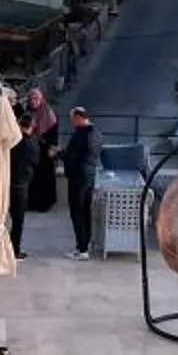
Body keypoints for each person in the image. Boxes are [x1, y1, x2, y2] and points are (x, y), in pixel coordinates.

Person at [63, 106, 101, 257]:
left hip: (78, 177)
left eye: (73, 119)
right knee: (86, 211)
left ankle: (82, 248)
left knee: (77, 212)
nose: (72, 122)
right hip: (90, 176)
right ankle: (86, 244)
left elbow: (72, 156)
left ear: (79, 117)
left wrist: (58, 154)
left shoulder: (80, 136)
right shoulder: (97, 133)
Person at [7, 92, 37, 252]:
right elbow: (35, 162)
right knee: (18, 220)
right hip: (20, 185)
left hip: (8, 181)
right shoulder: (31, 144)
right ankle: (14, 250)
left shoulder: (13, 141)